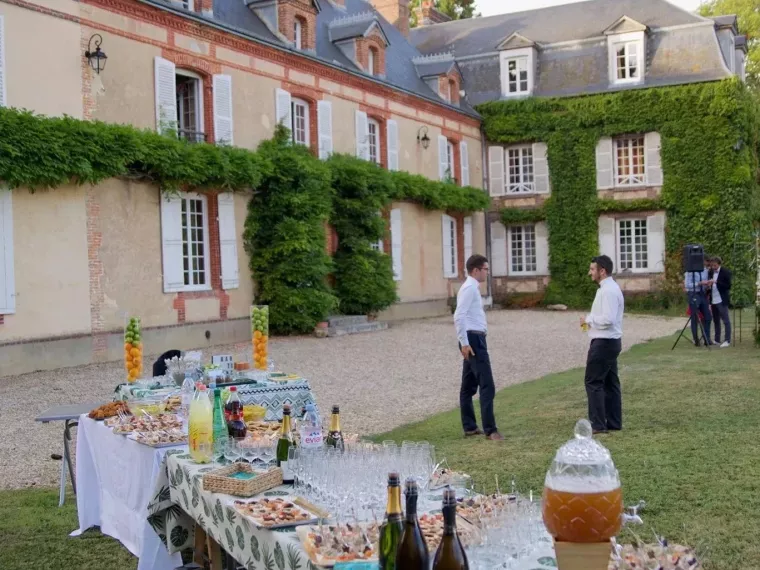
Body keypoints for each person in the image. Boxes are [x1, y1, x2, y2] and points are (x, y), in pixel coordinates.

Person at [454, 254, 503, 441]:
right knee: (487, 384)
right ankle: (490, 430)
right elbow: (459, 316)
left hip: (474, 338)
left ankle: (470, 427)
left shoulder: (471, 288)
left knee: (468, 386)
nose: (487, 272)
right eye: (485, 269)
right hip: (473, 340)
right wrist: (465, 343)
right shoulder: (469, 289)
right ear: (476, 270)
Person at [581, 255, 624, 435]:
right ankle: (614, 422)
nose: (590, 272)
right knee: (610, 382)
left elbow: (608, 319)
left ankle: (598, 424)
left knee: (593, 382)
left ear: (602, 271)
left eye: (592, 269)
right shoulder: (606, 289)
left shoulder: (608, 291)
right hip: (609, 341)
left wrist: (588, 319)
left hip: (604, 342)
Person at [683, 260, 712, 346]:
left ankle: (707, 339)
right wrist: (699, 283)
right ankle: (696, 340)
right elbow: (687, 285)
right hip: (693, 293)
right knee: (695, 317)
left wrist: (708, 284)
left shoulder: (705, 271)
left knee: (708, 317)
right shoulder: (689, 271)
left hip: (702, 293)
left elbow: (705, 284)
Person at [708, 256, 732, 347]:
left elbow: (728, 286)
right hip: (713, 299)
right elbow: (710, 285)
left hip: (721, 299)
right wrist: (708, 285)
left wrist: (716, 282)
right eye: (712, 265)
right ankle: (717, 339)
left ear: (719, 264)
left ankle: (727, 340)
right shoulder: (710, 272)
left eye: (714, 265)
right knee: (716, 320)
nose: (713, 267)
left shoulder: (725, 272)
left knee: (726, 320)